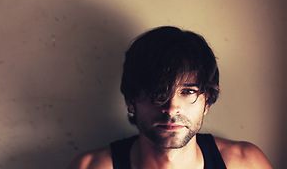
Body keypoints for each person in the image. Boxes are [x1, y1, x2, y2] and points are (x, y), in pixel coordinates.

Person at [68, 26, 272, 169]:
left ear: (207, 100)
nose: (172, 107)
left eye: (188, 91)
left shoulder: (245, 164)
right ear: (131, 100)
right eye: (157, 93)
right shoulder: (92, 167)